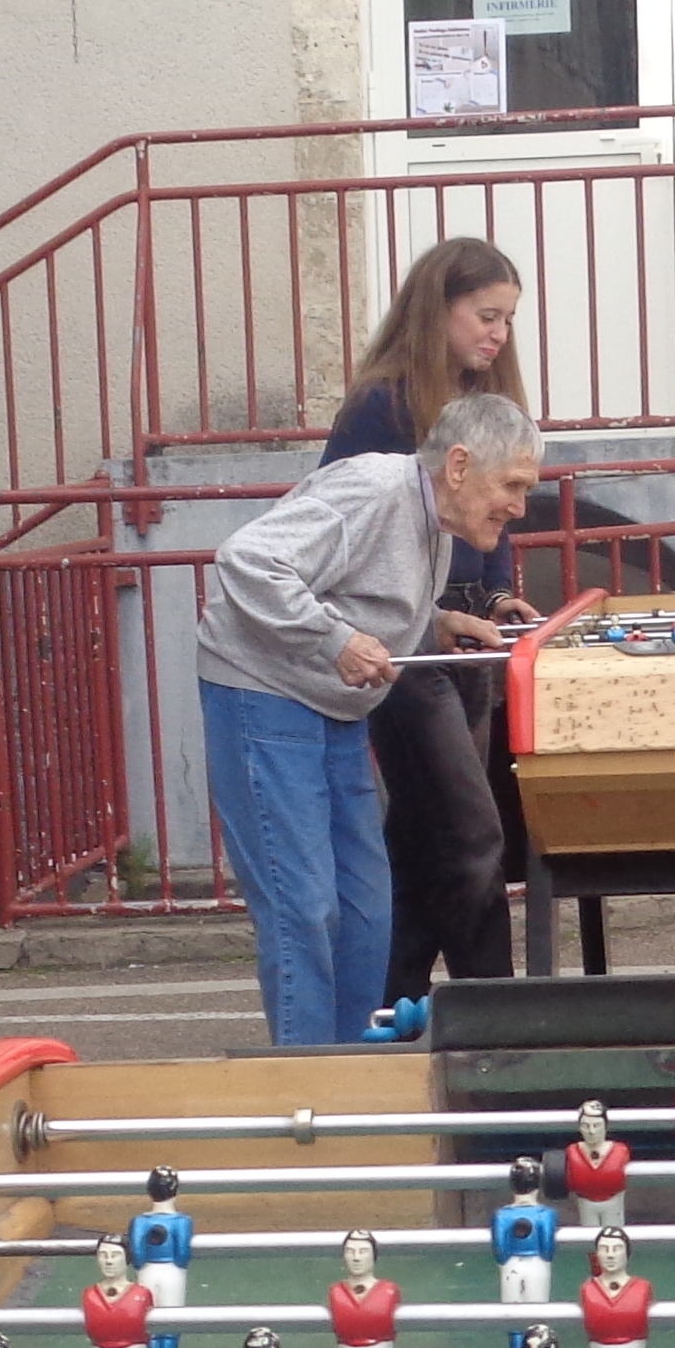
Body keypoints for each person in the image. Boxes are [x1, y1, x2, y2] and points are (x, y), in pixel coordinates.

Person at [196, 392, 545, 1049]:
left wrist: (438, 622)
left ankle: (355, 1066)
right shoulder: (373, 491)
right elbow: (248, 561)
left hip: (333, 706)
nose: (520, 507)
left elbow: (354, 588)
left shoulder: (433, 516)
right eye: (512, 485)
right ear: (459, 466)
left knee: (365, 906)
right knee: (303, 908)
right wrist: (336, 641)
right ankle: (311, 1081)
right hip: (264, 694)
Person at [320, 238, 531, 994]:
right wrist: (430, 612)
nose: (498, 334)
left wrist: (499, 593)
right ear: (436, 308)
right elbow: (338, 523)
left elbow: (497, 514)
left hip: (469, 634)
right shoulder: (382, 405)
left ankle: (383, 1011)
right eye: (485, 315)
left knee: (422, 844)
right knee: (473, 836)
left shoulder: (485, 401)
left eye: (508, 320)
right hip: (408, 640)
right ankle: (498, 1016)